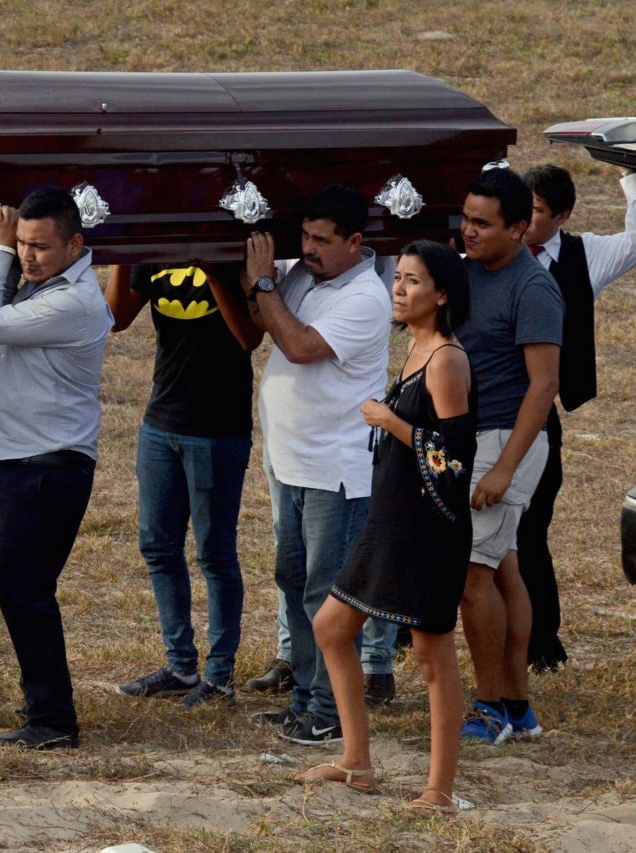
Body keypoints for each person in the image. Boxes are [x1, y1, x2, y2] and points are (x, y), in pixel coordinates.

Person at [304, 240, 475, 811]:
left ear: (442, 294)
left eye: (413, 281)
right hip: (391, 521)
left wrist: (390, 421)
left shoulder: (447, 359)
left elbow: (454, 459)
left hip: (428, 530)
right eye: (397, 278)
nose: (399, 289)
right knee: (332, 626)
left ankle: (440, 790)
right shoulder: (414, 349)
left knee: (431, 656)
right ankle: (356, 762)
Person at [243, 184, 392, 745]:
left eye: (321, 240)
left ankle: (330, 712)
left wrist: (263, 283)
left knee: (329, 596)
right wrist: (255, 273)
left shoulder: (365, 298)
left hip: (337, 472)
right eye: (303, 236)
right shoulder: (309, 275)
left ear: (355, 242)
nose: (307, 248)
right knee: (294, 582)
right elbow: (265, 318)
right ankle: (305, 699)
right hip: (291, 463)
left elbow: (300, 345)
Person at [0, 187, 111, 750]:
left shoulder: (72, 302)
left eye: (40, 247)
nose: (28, 255)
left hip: (48, 466)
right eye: (22, 243)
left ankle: (53, 719)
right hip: (19, 460)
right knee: (13, 584)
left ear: (76, 244)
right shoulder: (46, 288)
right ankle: (45, 707)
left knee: (25, 589)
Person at [517, 164, 636, 671]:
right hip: (479, 406)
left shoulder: (585, 257)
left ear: (561, 216)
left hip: (538, 414)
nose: (522, 220)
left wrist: (630, 173)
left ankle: (542, 642)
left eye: (534, 212)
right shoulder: (491, 248)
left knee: (531, 530)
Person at [107, 263, 261, 708]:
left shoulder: (227, 253)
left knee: (215, 553)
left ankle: (219, 677)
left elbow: (250, 338)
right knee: (157, 547)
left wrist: (214, 272)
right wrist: (122, 253)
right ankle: (180, 667)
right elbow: (116, 319)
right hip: (161, 421)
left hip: (218, 428)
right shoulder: (158, 250)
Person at [454, 166, 562, 744]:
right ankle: (518, 705)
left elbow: (543, 387)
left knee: (473, 574)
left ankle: (489, 705)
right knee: (505, 568)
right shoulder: (468, 272)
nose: (469, 232)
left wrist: (503, 468)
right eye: (466, 218)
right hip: (474, 440)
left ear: (520, 229)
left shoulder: (534, 288)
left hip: (504, 442)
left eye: (483, 223)